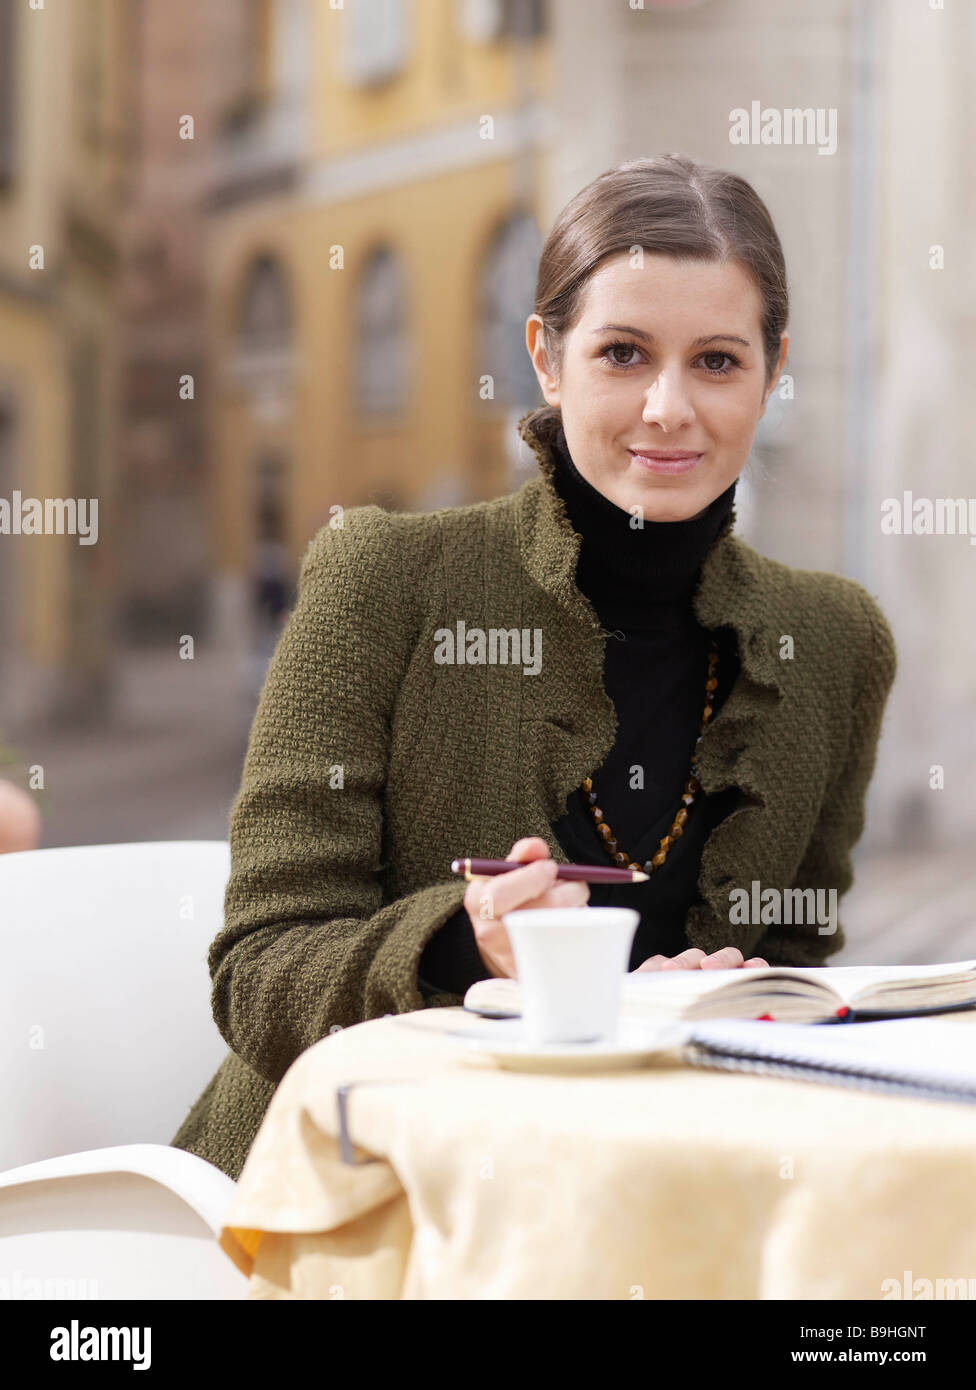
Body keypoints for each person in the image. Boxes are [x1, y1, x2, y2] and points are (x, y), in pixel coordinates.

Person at [172, 154, 896, 1182]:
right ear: (547, 360)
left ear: (775, 371)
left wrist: (731, 997)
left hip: (652, 1188)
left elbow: (794, 965)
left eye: (718, 362)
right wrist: (467, 950)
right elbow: (259, 974)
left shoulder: (834, 641)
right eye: (623, 353)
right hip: (359, 1193)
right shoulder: (383, 582)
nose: (666, 407)